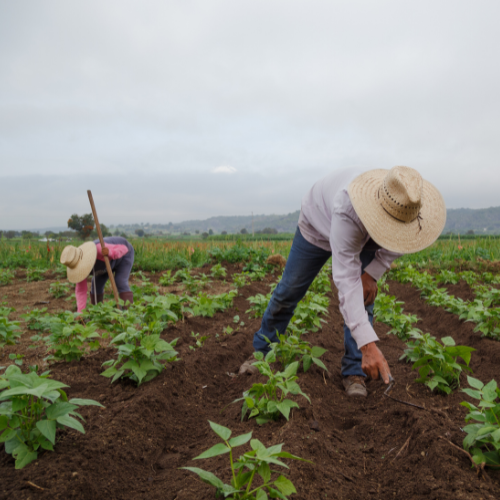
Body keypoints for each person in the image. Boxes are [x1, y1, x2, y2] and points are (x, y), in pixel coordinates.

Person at [239, 166, 446, 397]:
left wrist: (372, 274)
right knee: (289, 290)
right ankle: (262, 351)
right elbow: (346, 283)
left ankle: (354, 370)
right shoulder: (349, 207)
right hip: (318, 224)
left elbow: (401, 244)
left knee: (365, 298)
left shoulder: (409, 209)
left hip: (367, 236)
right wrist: (369, 345)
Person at [60, 236, 135, 312]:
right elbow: (81, 290)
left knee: (120, 281)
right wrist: (80, 312)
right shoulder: (79, 269)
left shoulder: (99, 249)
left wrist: (110, 253)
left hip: (123, 256)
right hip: (105, 265)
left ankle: (128, 313)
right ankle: (97, 312)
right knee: (96, 284)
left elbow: (124, 248)